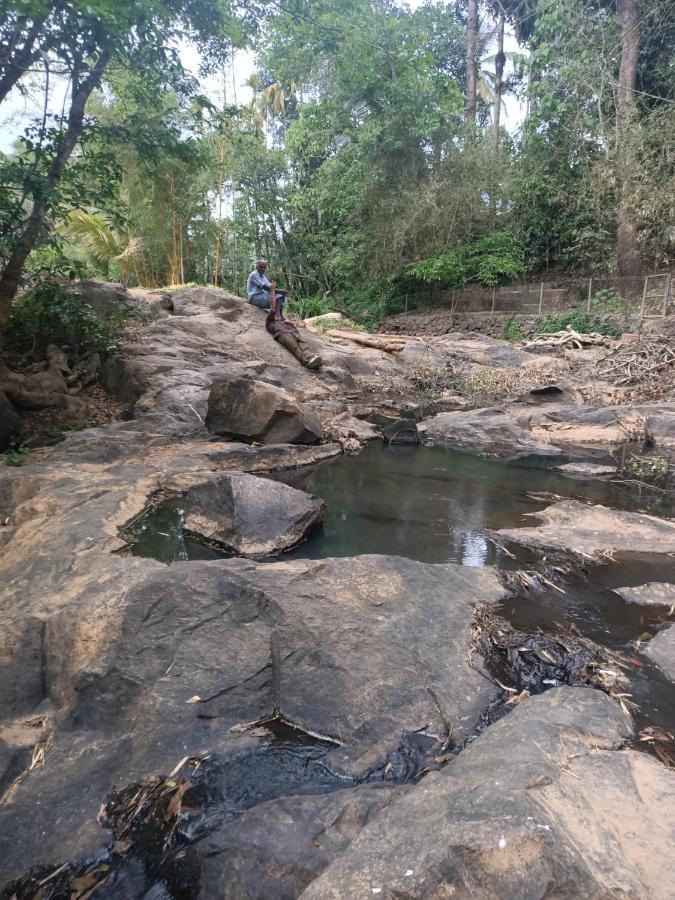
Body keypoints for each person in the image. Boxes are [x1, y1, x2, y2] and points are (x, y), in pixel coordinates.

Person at [265, 295, 322, 370]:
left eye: (280, 306)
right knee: (295, 348)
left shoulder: (285, 320)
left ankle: (312, 358)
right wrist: (272, 291)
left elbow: (301, 325)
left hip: (294, 333)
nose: (279, 307)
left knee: (305, 346)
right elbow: (273, 307)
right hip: (282, 334)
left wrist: (291, 323)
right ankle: (307, 362)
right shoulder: (270, 321)